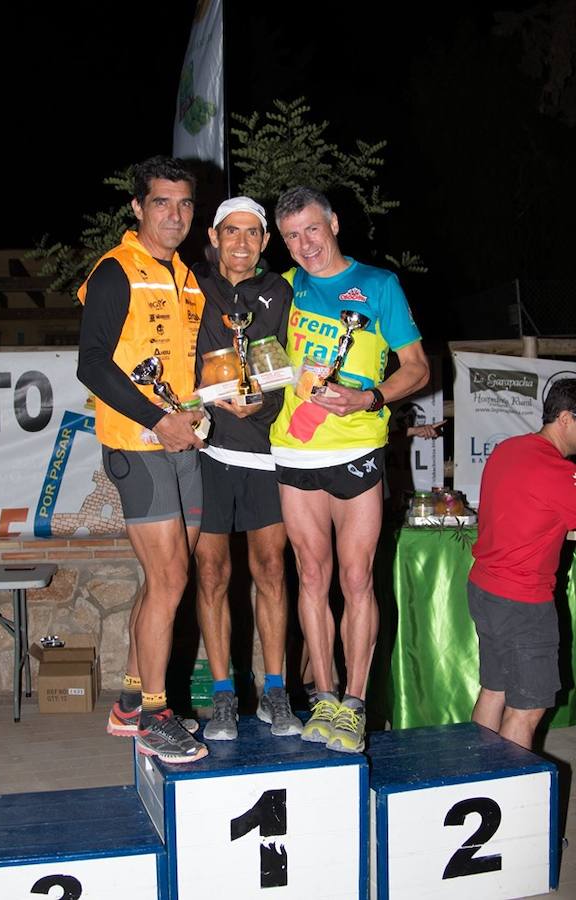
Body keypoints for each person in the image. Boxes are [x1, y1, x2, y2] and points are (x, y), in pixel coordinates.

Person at [271, 186, 430, 752]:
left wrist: (371, 400)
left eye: (311, 229)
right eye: (290, 235)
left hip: (357, 449)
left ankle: (356, 704)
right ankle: (325, 697)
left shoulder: (380, 285)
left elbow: (417, 367)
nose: (303, 244)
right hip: (294, 451)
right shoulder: (285, 288)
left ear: (334, 223)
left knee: (356, 579)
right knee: (310, 578)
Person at [77, 155, 208, 765]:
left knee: (165, 579)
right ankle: (156, 715)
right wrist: (159, 419)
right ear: (138, 208)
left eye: (184, 204)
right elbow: (93, 363)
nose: (175, 215)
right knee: (171, 578)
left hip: (184, 442)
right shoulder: (116, 271)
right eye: (162, 202)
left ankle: (130, 701)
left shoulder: (184, 275)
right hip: (140, 443)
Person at [193, 196, 302, 740]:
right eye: (230, 232)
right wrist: (207, 401)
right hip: (208, 454)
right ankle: (222, 698)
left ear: (264, 242)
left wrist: (269, 403)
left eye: (251, 233)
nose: (240, 242)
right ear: (213, 236)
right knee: (212, 575)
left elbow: (291, 368)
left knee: (272, 572)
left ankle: (276, 691)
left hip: (264, 453)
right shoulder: (191, 288)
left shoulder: (281, 292)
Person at [468, 378, 576, 750]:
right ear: (565, 419)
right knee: (526, 710)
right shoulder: (557, 471)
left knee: (494, 691)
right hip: (523, 601)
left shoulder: (508, 449)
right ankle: (510, 801)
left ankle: (478, 777)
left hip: (486, 589)